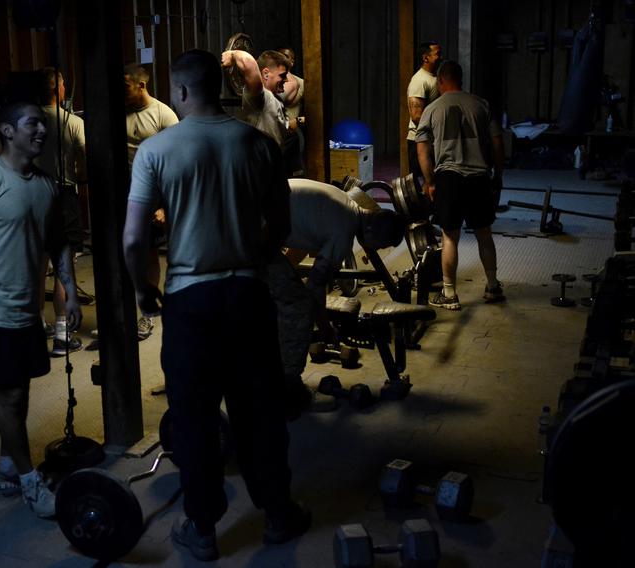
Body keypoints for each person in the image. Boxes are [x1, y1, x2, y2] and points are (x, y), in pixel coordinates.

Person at [123, 49, 310, 562]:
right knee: (259, 415)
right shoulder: (256, 144)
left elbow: (134, 239)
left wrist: (144, 290)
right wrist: (254, 256)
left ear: (180, 92)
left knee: (194, 417)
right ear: (218, 87)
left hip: (189, 301)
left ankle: (202, 531)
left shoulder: (155, 151)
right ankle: (277, 516)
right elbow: (283, 227)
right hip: (247, 295)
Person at [0, 100, 82, 519]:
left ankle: (9, 463)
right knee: (9, 396)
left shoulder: (45, 185)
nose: (42, 131)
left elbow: (58, 241)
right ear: (7, 131)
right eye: (33, 125)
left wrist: (71, 291)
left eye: (43, 125)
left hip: (29, 313)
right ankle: (28, 481)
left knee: (20, 391)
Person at [269, 179, 405, 419]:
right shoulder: (343, 232)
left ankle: (268, 373)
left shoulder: (349, 201)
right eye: (381, 245)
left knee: (283, 293)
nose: (377, 249)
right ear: (371, 231)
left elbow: (301, 235)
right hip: (251, 233)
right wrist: (325, 327)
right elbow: (315, 287)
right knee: (299, 307)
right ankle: (288, 393)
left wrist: (284, 279)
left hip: (249, 218)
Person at [415, 60, 506, 311]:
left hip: (449, 178)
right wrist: (498, 175)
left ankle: (450, 294)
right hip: (478, 177)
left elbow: (422, 148)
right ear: (461, 78)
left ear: (440, 81)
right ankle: (493, 286)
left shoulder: (432, 109)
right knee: (484, 235)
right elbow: (498, 144)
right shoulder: (481, 104)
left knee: (450, 237)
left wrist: (429, 181)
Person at [124, 63, 179, 340]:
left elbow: (177, 163)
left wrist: (164, 205)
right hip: (125, 195)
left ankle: (147, 316)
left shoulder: (163, 115)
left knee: (148, 255)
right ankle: (121, 315)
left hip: (153, 195)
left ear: (141, 85)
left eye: (126, 87)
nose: (122, 92)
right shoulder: (119, 113)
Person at [34, 67, 86, 356]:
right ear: (58, 90)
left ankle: (38, 325)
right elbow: (88, 157)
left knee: (38, 266)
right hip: (61, 196)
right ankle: (62, 336)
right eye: (64, 83)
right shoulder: (72, 122)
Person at [220, 48, 290, 147]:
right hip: (259, 161)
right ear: (266, 74)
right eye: (282, 76)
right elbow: (248, 63)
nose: (286, 80)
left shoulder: (277, 100)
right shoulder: (259, 96)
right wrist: (233, 54)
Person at [407, 42, 442, 183]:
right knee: (424, 186)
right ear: (425, 58)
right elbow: (416, 116)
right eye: (437, 54)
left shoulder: (434, 78)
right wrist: (434, 135)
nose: (441, 57)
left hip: (432, 139)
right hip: (421, 140)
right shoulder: (419, 80)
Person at [278, 47, 305, 177]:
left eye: (286, 56)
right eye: (279, 55)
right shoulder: (271, 79)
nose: (283, 58)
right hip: (277, 126)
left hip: (293, 128)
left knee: (294, 139)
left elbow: (312, 109)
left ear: (292, 62)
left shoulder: (301, 83)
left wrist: (300, 121)